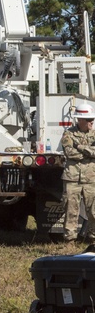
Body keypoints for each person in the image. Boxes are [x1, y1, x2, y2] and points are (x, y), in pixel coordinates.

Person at [60, 103, 95, 243]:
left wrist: (79, 146)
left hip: (91, 178)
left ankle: (93, 239)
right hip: (72, 177)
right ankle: (69, 240)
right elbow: (69, 152)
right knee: (71, 210)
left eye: (92, 119)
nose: (91, 122)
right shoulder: (68, 134)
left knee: (93, 211)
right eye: (89, 119)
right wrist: (89, 153)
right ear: (80, 120)